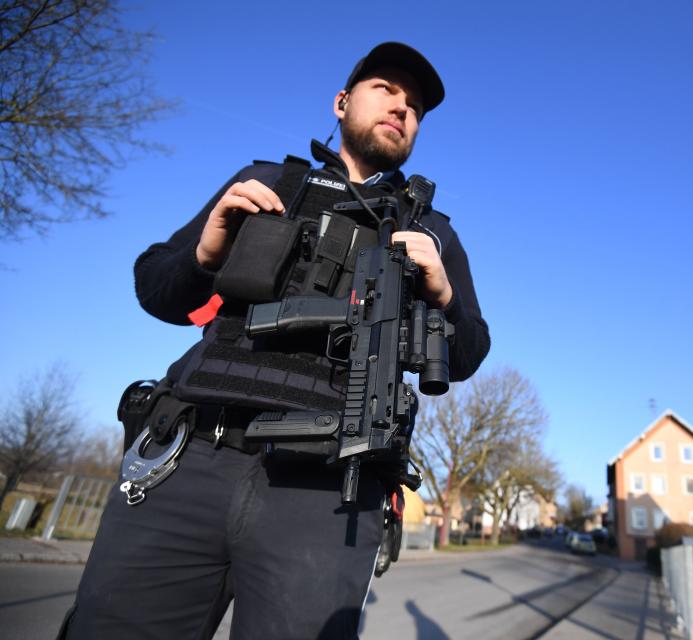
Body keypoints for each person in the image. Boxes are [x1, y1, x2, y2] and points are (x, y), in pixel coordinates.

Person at [60, 42, 489, 640]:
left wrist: (442, 292)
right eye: (386, 92)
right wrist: (205, 253)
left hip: (328, 492)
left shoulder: (430, 230)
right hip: (190, 457)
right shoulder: (264, 181)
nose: (401, 109)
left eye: (415, 107)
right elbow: (156, 290)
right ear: (342, 103)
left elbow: (468, 355)